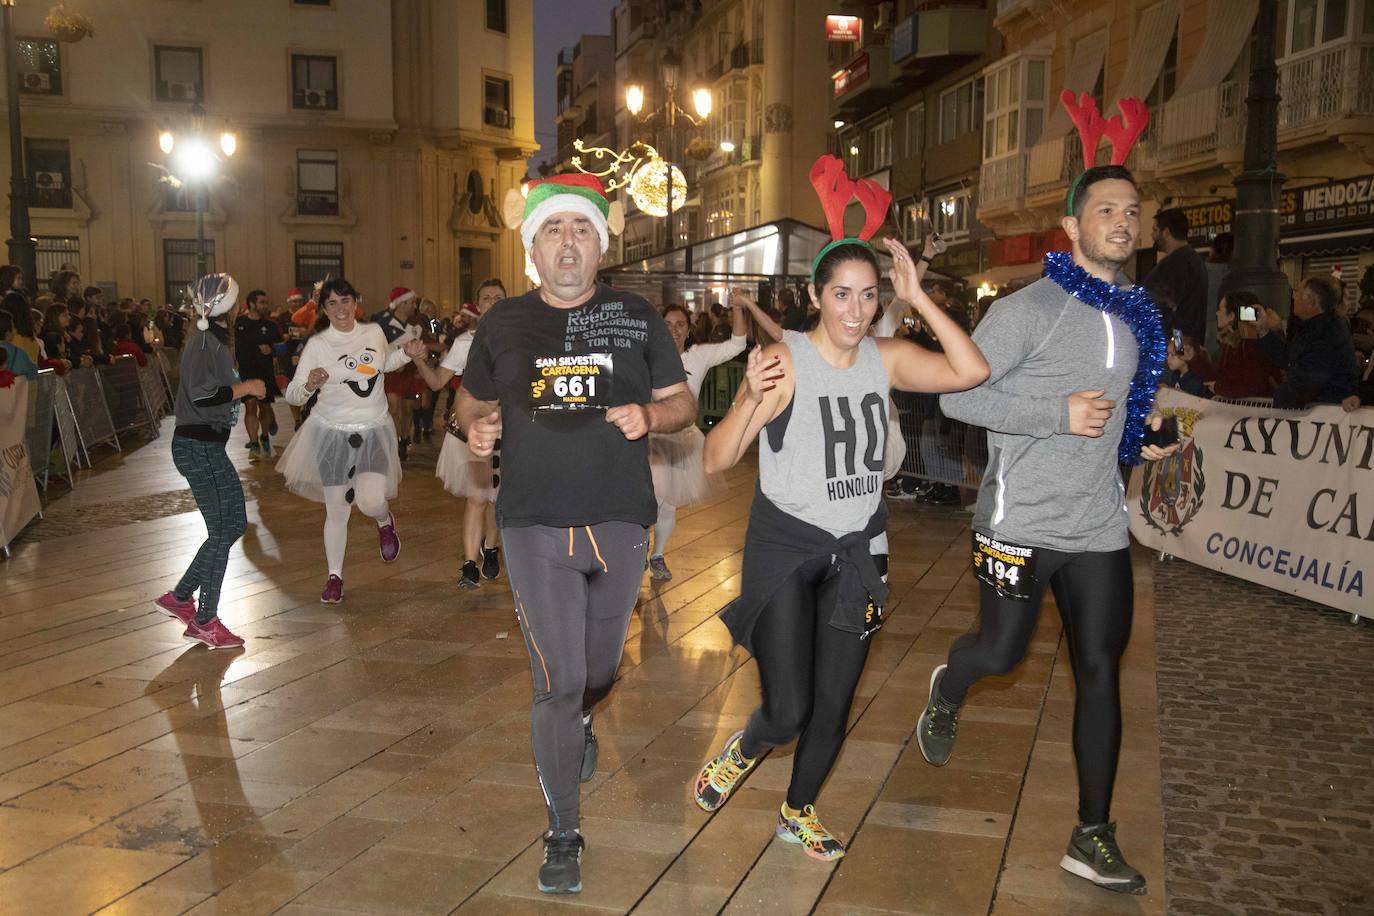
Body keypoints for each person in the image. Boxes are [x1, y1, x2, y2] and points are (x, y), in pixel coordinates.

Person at [690, 156, 988, 863]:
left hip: (862, 551)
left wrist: (918, 295)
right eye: (842, 296)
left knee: (836, 701)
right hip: (787, 547)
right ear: (817, 298)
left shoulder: (886, 355)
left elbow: (970, 370)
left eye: (869, 296)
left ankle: (799, 810)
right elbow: (716, 459)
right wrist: (748, 400)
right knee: (789, 708)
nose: (857, 311)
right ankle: (749, 745)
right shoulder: (786, 359)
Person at [916, 163, 1178, 896]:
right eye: (1105, 211)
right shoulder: (1026, 310)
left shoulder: (1134, 314)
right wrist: (1052, 415)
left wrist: (1142, 434)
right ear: (1072, 228)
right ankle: (951, 684)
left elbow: (1116, 406)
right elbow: (958, 401)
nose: (1122, 222)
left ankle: (1091, 832)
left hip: (1097, 526)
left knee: (1101, 673)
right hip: (1019, 521)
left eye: (1131, 211)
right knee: (1000, 654)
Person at [455, 173, 696, 895]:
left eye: (582, 230)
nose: (568, 243)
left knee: (598, 672)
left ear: (600, 246)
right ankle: (563, 830)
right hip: (531, 522)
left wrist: (652, 418)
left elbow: (682, 402)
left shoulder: (636, 316)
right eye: (554, 230)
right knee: (556, 682)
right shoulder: (502, 325)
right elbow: (468, 398)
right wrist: (475, 424)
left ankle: (585, 716)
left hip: (620, 518)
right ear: (532, 247)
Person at [279, 278, 411, 603]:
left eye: (345, 300)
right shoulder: (318, 345)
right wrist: (309, 383)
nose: (340, 308)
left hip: (373, 428)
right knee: (337, 508)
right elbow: (293, 395)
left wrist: (406, 353)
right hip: (330, 432)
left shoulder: (373, 333)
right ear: (323, 308)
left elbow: (384, 363)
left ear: (356, 301)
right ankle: (334, 576)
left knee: (370, 500)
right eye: (333, 303)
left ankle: (384, 520)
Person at [153, 274, 257, 649]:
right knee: (223, 530)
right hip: (198, 447)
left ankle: (180, 597)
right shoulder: (203, 343)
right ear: (229, 306)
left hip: (206, 446)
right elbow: (201, 396)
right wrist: (245, 388)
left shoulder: (210, 340)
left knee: (232, 525)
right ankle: (204, 619)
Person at [647, 293, 782, 580]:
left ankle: (657, 554)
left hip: (682, 439)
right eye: (668, 324)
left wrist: (737, 307)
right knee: (654, 497)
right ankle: (637, 553)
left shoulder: (698, 355)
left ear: (689, 328)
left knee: (667, 502)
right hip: (650, 437)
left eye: (680, 324)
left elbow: (736, 343)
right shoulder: (645, 355)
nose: (674, 330)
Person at [408, 279, 507, 589]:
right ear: (477, 306)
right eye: (486, 298)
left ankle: (490, 549)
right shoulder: (466, 342)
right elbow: (437, 382)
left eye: (498, 298)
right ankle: (468, 564)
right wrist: (419, 360)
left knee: (496, 500)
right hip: (470, 431)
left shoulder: (521, 341)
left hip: (508, 433)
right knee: (478, 497)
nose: (492, 302)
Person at [1258, 276, 1362, 411]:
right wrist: (1263, 331)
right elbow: (1289, 358)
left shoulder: (1329, 333)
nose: (1293, 297)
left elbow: (1308, 382)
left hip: (1325, 417)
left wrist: (1279, 399)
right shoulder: (1310, 327)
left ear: (1312, 301)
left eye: (1297, 293)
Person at [1144, 207, 1207, 343]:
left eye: (1155, 230)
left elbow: (1167, 307)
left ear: (1166, 232)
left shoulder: (1176, 263)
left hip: (1175, 341)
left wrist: (1175, 348)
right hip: (1184, 339)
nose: (1152, 235)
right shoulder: (1193, 260)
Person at [234, 289, 283, 460]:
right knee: (250, 406)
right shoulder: (238, 323)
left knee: (265, 407)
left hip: (265, 373)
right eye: (262, 302)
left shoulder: (270, 325)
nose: (265, 306)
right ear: (252, 304)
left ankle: (265, 436)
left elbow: (281, 347)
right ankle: (253, 442)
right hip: (246, 373)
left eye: (266, 302)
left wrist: (272, 349)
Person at [375, 287, 422, 460]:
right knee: (394, 408)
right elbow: (376, 349)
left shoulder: (416, 325)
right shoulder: (382, 324)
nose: (414, 306)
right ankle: (394, 443)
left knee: (408, 408)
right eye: (411, 303)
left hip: (409, 373)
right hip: (391, 374)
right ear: (401, 304)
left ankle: (404, 439)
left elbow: (424, 346)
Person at [1207, 290, 1280, 399]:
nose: (1217, 313)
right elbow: (1220, 377)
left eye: (1220, 309)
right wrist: (1194, 358)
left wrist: (1219, 388)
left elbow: (1253, 387)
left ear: (1231, 315)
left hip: (1258, 408)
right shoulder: (1231, 340)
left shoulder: (1252, 342)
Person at [1202, 232, 1233, 356]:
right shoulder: (1236, 274)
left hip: (1202, 334)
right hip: (1228, 335)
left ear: (1212, 250)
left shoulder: (1202, 271)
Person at [0, 312, 39, 378]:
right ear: (8, 333)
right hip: (14, 387)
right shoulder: (19, 353)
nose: (15, 330)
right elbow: (33, 372)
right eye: (13, 327)